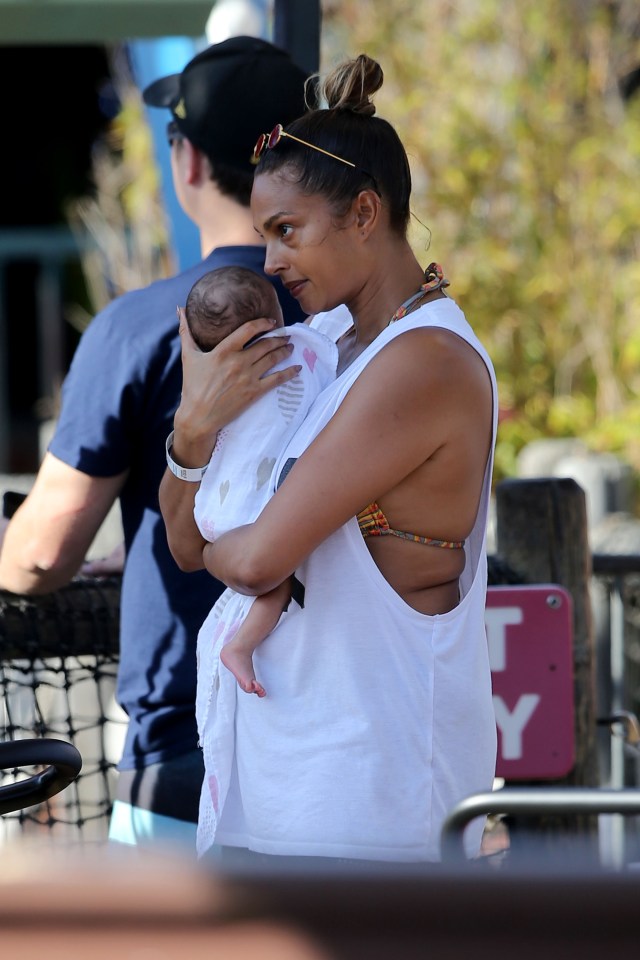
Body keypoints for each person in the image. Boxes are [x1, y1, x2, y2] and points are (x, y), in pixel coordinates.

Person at [160, 52, 498, 868]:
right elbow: (186, 544)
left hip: (370, 812)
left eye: (287, 231)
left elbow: (253, 557)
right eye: (263, 235)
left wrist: (225, 540)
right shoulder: (317, 349)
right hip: (276, 785)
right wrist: (193, 430)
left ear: (364, 214)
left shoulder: (426, 362)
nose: (269, 262)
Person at [0, 36, 309, 851]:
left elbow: (37, 557)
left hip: (187, 750)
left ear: (189, 162)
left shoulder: (140, 328)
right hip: (338, 747)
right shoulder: (359, 324)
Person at [182, 264, 337, 698]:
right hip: (257, 509)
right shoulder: (302, 350)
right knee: (279, 571)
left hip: (215, 505)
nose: (272, 259)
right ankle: (243, 643)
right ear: (273, 319)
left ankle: (240, 644)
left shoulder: (214, 382)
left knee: (273, 566)